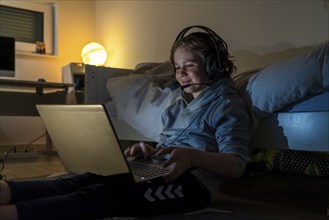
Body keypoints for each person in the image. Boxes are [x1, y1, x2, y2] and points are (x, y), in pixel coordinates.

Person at [0, 25, 250, 220]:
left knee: (101, 196)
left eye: (189, 65)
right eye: (176, 67)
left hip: (192, 185)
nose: (181, 73)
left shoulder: (227, 105)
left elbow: (236, 165)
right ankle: (5, 191)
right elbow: (172, 146)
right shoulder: (178, 102)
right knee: (83, 179)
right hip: (158, 168)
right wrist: (151, 151)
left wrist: (192, 157)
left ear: (213, 66)